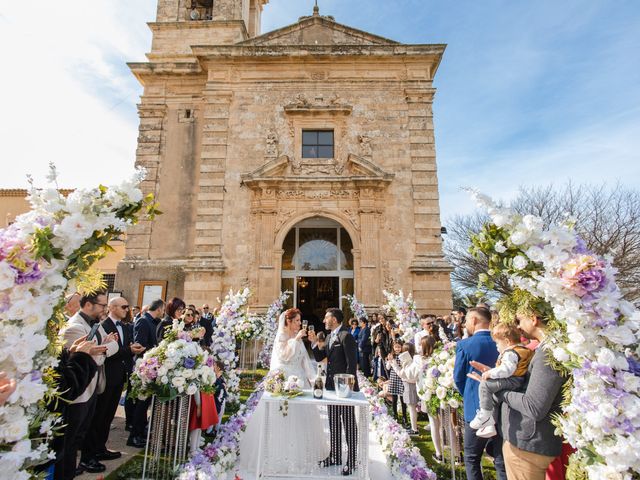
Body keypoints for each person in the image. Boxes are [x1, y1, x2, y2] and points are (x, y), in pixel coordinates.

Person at [239, 308, 329, 475]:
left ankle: (302, 454)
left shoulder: (300, 339)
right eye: (296, 321)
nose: (299, 324)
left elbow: (303, 361)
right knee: (281, 416)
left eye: (300, 321)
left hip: (300, 382)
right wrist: (295, 339)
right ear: (288, 321)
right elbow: (284, 356)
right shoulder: (282, 336)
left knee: (302, 419)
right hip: (284, 381)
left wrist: (314, 378)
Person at [484, 306, 566, 480]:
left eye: (520, 320)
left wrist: (500, 391)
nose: (518, 327)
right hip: (527, 443)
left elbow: (534, 406)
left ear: (534, 319)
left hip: (528, 446)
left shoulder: (547, 353)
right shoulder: (544, 350)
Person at [58, 292, 118, 478]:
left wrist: (104, 349)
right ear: (89, 305)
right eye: (102, 305)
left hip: (92, 388)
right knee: (70, 438)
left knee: (81, 434)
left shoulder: (94, 325)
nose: (104, 310)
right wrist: (104, 349)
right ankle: (66, 471)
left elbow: (108, 348)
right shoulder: (75, 327)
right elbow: (94, 359)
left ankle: (75, 465)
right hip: (79, 393)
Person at [82, 296, 146, 466]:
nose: (127, 310)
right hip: (107, 376)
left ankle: (101, 447)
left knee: (108, 416)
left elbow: (122, 349)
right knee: (99, 416)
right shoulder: (104, 326)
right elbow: (105, 352)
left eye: (127, 307)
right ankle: (91, 452)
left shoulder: (124, 327)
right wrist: (127, 350)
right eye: (123, 307)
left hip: (119, 377)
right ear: (112, 307)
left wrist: (132, 350)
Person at [453, 307, 507, 480]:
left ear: (474, 320)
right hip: (502, 406)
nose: (466, 324)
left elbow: (459, 378)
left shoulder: (464, 345)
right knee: (500, 460)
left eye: (467, 320)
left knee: (472, 457)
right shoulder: (502, 342)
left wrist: (469, 396)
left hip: (475, 409)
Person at [309, 308, 359, 476]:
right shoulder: (330, 337)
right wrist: (314, 343)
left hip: (344, 390)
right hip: (331, 387)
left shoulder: (346, 336)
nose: (324, 320)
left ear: (335, 320)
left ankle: (351, 460)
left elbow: (351, 364)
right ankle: (335, 456)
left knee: (349, 424)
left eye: (326, 318)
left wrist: (347, 389)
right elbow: (320, 358)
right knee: (334, 423)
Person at [468, 322, 534, 438]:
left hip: (513, 380)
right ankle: (489, 423)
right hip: (517, 380)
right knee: (492, 396)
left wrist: (490, 373)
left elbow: (506, 370)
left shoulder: (510, 353)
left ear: (507, 341)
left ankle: (485, 414)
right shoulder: (521, 349)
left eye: (498, 343)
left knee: (485, 385)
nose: (497, 346)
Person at [129, 299, 165, 448]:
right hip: (145, 366)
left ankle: (140, 432)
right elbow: (140, 344)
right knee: (141, 403)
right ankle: (134, 436)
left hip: (152, 366)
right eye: (162, 310)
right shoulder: (143, 321)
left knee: (145, 404)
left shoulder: (154, 322)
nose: (163, 313)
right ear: (159, 309)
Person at [389, 343, 419, 435]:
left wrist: (394, 364)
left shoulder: (408, 360)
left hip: (409, 385)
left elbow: (402, 374)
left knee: (411, 407)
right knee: (411, 407)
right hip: (410, 384)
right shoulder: (414, 358)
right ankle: (414, 427)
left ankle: (414, 429)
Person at [385, 339, 407, 427]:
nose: (397, 349)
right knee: (394, 399)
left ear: (402, 347)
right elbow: (387, 368)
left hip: (401, 378)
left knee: (403, 399)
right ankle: (395, 415)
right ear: (393, 348)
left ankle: (405, 416)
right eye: (395, 347)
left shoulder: (403, 356)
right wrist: (389, 360)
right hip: (394, 378)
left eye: (399, 347)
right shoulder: (391, 355)